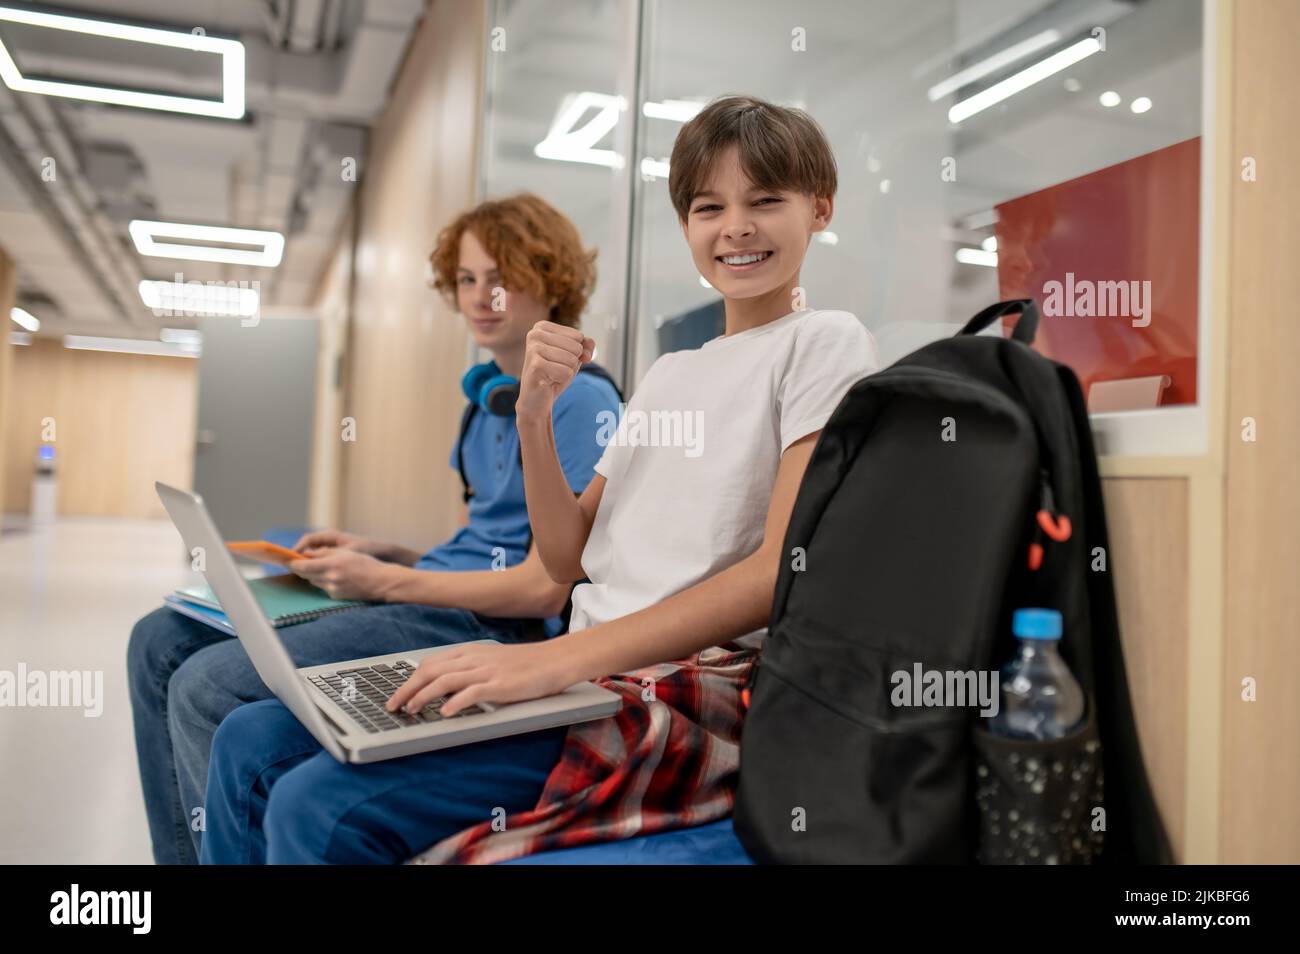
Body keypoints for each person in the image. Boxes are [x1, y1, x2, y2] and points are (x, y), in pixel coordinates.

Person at [200, 94, 881, 865]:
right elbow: (565, 559)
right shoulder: (669, 373)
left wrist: (554, 662)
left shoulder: (826, 342)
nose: (736, 227)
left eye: (766, 200)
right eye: (708, 206)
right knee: (246, 739)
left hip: (672, 681)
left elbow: (772, 575)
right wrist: (532, 417)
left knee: (313, 810)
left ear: (820, 207)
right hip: (586, 666)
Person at [126, 193, 620, 864]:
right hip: (433, 592)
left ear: (550, 276)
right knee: (156, 640)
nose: (480, 296)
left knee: (206, 685)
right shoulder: (482, 403)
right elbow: (485, 546)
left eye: (500, 278)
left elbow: (544, 589)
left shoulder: (583, 400)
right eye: (468, 279)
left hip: (494, 626)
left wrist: (386, 581)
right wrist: (383, 552)